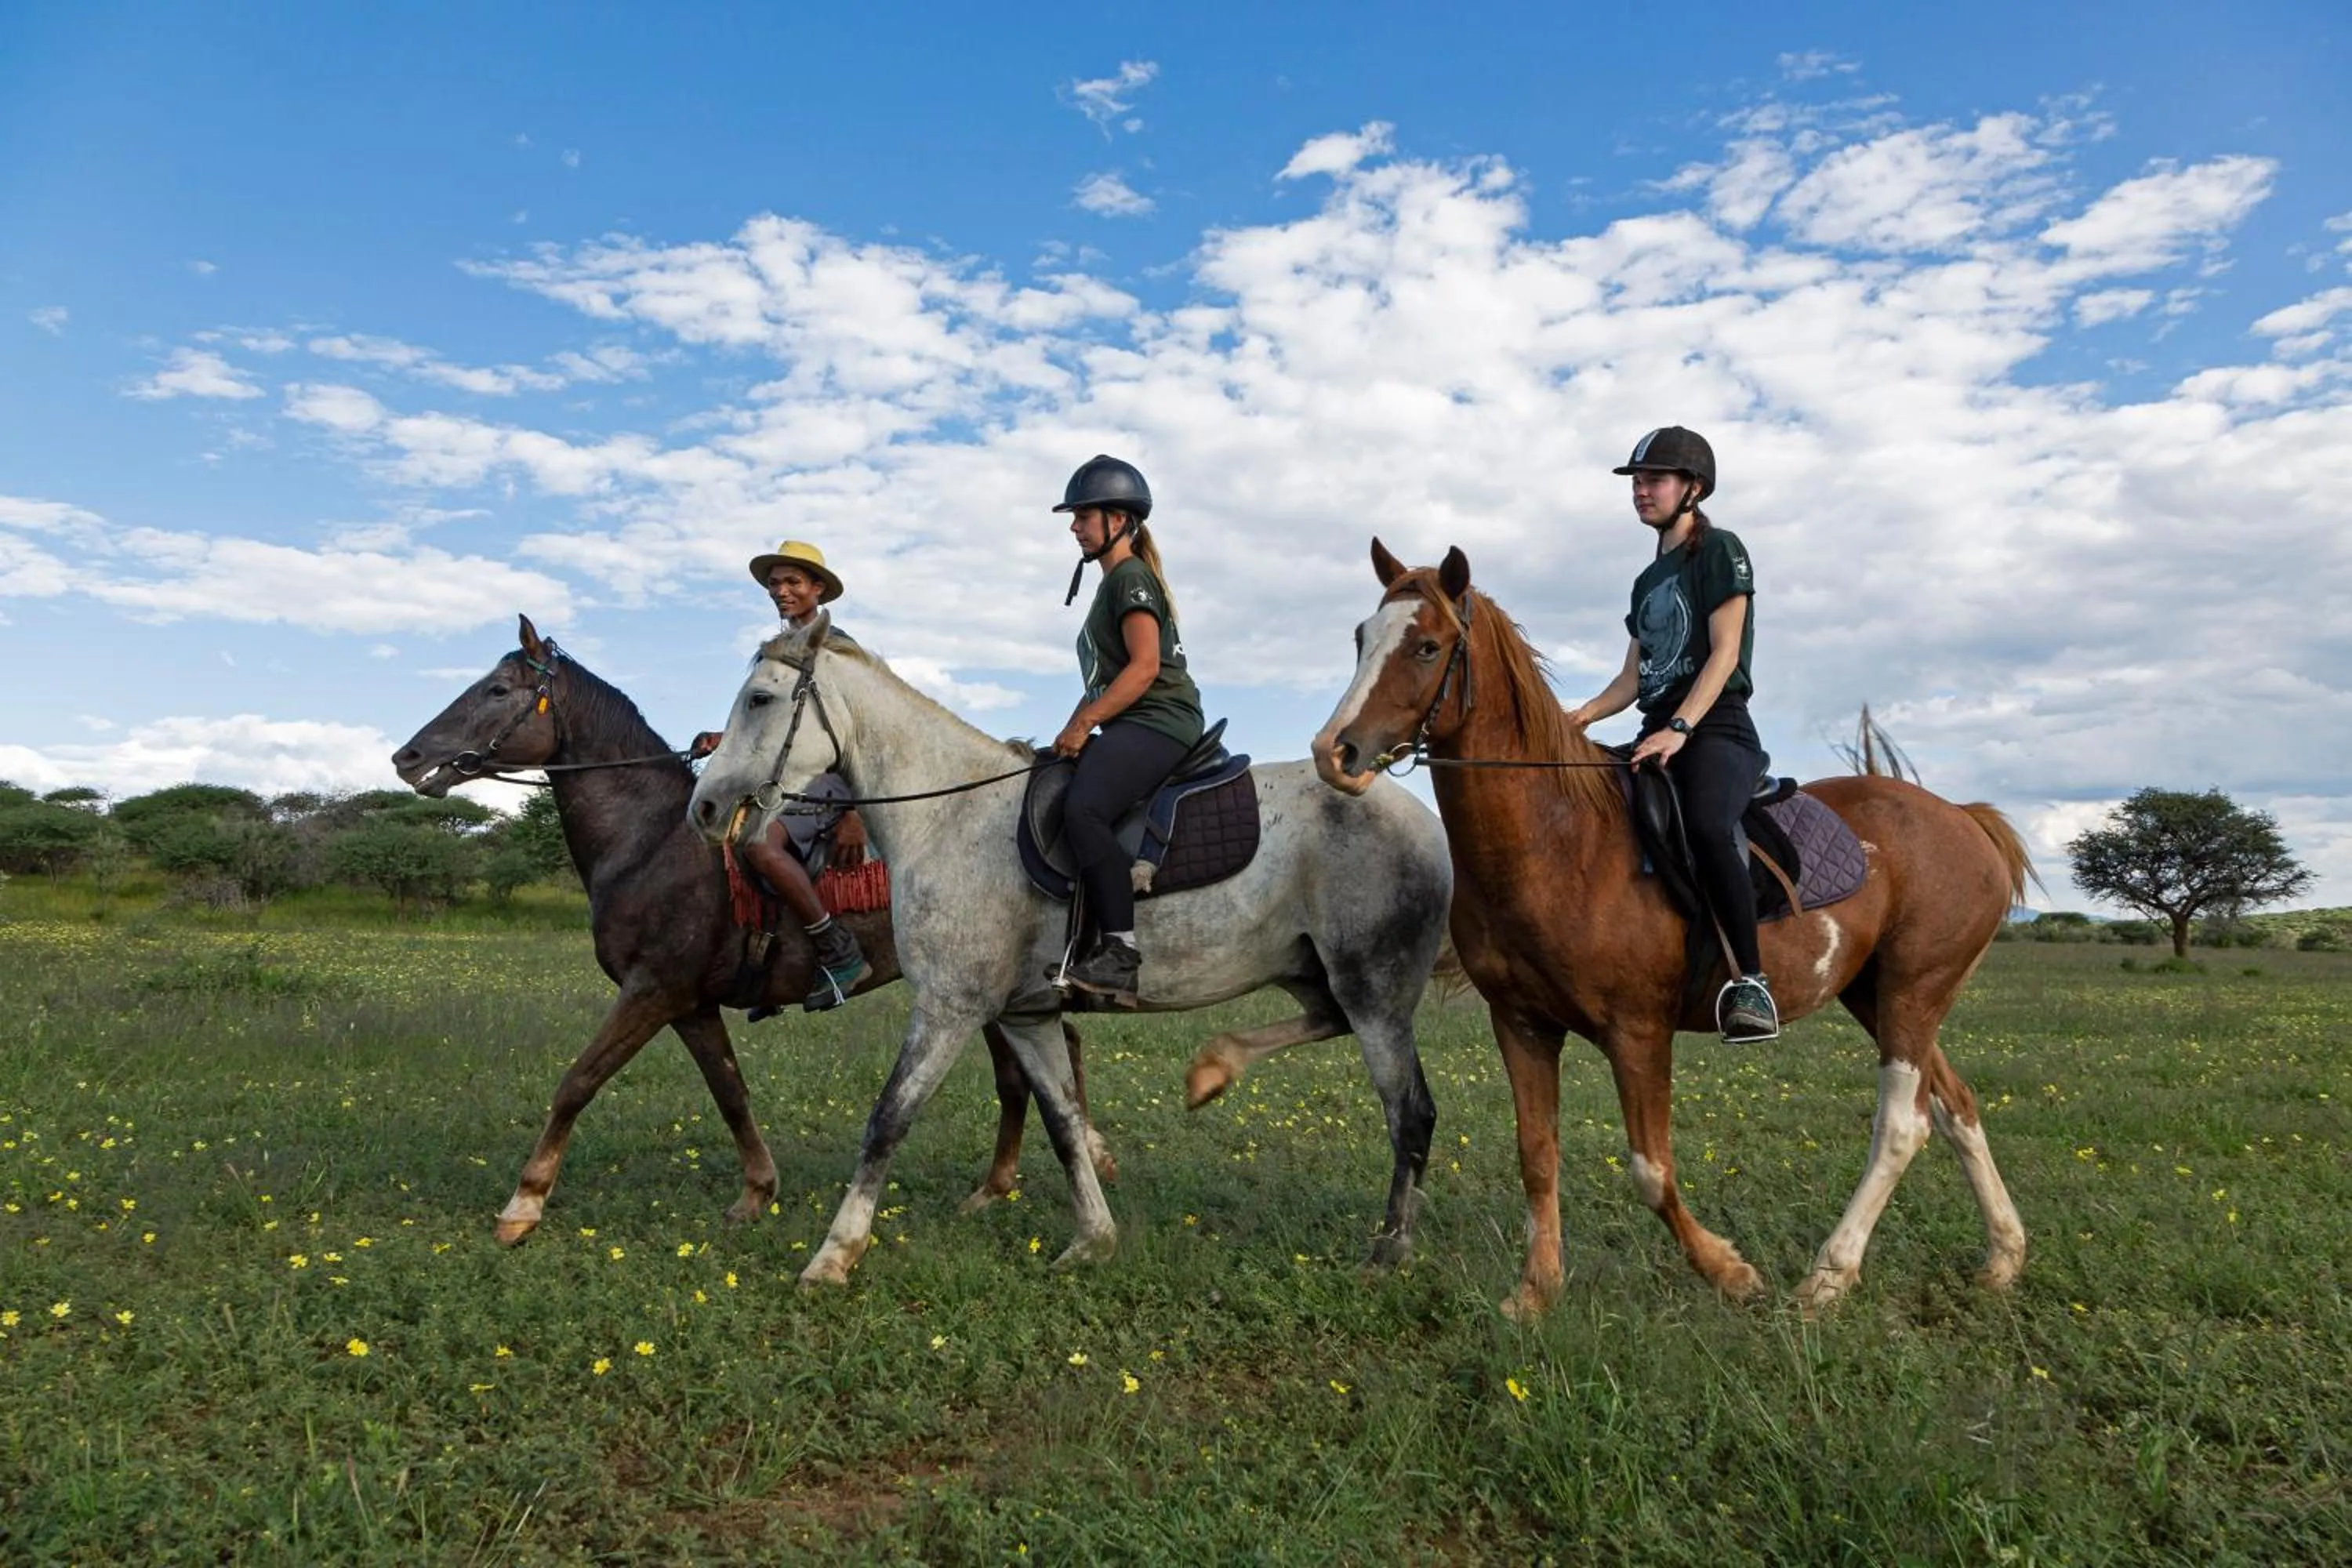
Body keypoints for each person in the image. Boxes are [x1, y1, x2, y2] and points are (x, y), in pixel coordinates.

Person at [1567, 427, 1780, 1044]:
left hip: (1717, 727)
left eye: (1654, 480)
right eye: (1636, 481)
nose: (1641, 491)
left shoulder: (1720, 551)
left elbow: (1725, 652)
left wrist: (1682, 728)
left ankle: (1751, 983)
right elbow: (1633, 677)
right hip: (1656, 727)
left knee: (1711, 825)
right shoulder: (1646, 581)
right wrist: (1578, 718)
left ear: (1693, 488)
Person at [1049, 454, 1205, 1009]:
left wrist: (1087, 722)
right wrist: (1072, 726)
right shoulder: (1111, 584)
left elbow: (1141, 670)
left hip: (1159, 718)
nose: (1073, 526)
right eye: (1074, 517)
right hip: (1131, 717)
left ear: (1118, 520)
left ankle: (1119, 953)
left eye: (1083, 516)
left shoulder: (1131, 577)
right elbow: (1102, 681)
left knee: (1083, 810)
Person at [691, 540, 872, 1015]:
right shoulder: (776, 651)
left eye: (793, 582)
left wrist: (852, 808)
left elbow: (860, 729)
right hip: (790, 777)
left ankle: (840, 951)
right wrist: (724, 736)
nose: (781, 591)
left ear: (818, 589)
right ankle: (769, 961)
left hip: (830, 779)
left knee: (760, 846)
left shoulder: (837, 649)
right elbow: (770, 721)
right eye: (775, 583)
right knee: (724, 839)